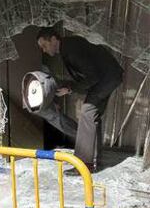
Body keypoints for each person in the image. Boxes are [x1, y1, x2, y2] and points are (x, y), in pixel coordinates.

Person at [37, 27, 123, 173]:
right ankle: (94, 156)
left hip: (106, 78)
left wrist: (69, 89)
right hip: (109, 76)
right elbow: (87, 76)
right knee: (93, 115)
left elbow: (92, 77)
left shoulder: (70, 49)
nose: (44, 50)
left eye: (44, 45)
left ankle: (83, 165)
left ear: (53, 39)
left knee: (87, 112)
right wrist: (68, 86)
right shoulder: (68, 48)